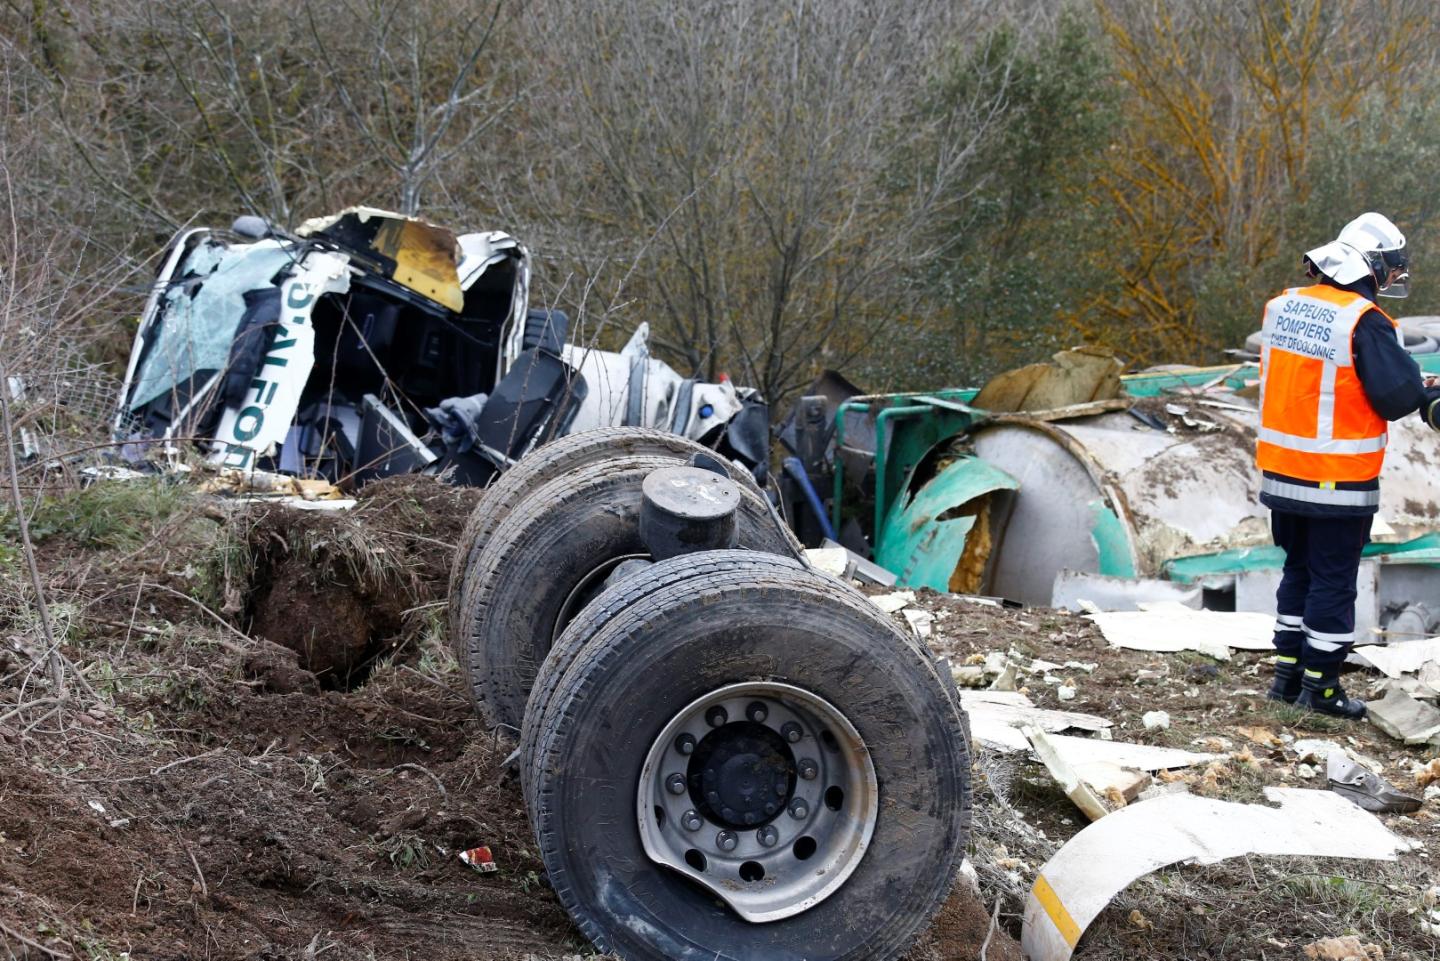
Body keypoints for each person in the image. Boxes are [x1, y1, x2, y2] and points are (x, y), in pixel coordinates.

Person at [1259, 212, 1440, 719]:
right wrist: (1426, 389)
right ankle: (1323, 690)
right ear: (1372, 265)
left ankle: (1286, 680)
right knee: (1333, 582)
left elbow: (1328, 380)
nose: (1391, 279)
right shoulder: (1365, 320)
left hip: (1281, 474)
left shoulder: (1284, 307)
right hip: (1337, 482)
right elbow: (1394, 396)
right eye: (1389, 269)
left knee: (1297, 572)